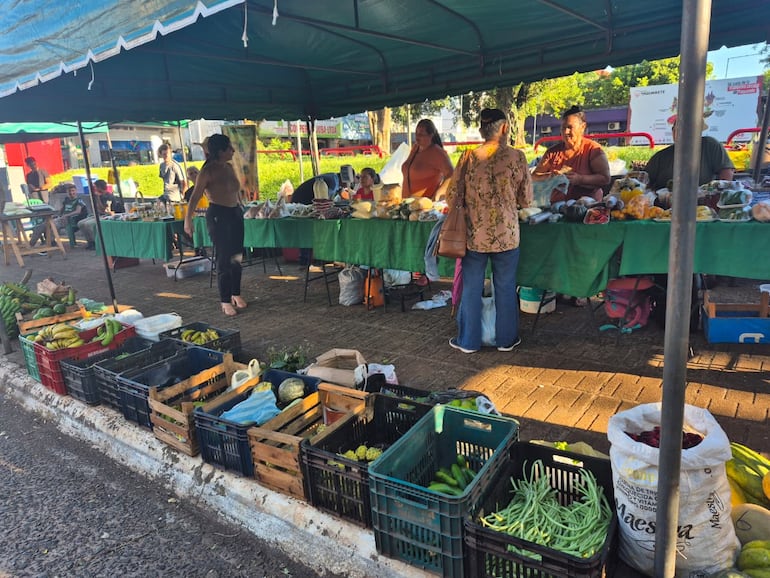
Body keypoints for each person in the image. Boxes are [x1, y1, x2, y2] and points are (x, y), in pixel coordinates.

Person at [449, 108, 534, 354]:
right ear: (504, 128)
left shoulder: (468, 157)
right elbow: (526, 200)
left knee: (472, 288)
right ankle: (506, 340)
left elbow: (452, 195)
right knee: (505, 287)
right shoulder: (517, 157)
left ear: (481, 129)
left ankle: (468, 341)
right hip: (507, 235)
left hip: (474, 235)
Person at [184, 134, 246, 317]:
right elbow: (195, 196)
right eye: (229, 148)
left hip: (235, 213)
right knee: (224, 258)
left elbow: (235, 190)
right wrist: (188, 219)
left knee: (237, 257)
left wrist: (242, 206)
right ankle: (225, 300)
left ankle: (236, 293)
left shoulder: (228, 167)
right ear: (219, 151)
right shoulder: (207, 171)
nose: (233, 151)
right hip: (218, 214)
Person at [532, 105, 611, 204]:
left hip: (587, 208)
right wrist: (551, 176)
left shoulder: (593, 150)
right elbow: (534, 177)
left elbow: (605, 178)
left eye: (570, 127)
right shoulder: (552, 152)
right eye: (563, 128)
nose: (565, 132)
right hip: (556, 208)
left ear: (582, 127)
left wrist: (580, 179)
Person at [645, 115, 735, 191]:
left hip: (704, 203)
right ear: (673, 132)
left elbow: (726, 172)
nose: (684, 134)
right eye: (678, 130)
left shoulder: (710, 145)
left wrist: (719, 194)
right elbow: (645, 182)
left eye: (690, 130)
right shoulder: (660, 157)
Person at [401, 119, 454, 200]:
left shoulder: (437, 152)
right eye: (416, 133)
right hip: (407, 203)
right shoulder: (415, 148)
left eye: (421, 134)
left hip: (424, 207)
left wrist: (438, 194)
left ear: (431, 135)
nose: (417, 137)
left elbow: (451, 174)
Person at [29, 183, 88, 249]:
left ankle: (49, 243)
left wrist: (66, 215)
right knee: (40, 226)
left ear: (76, 191)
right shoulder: (66, 200)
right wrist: (55, 215)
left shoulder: (79, 200)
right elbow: (61, 210)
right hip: (61, 218)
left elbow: (78, 211)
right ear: (67, 192)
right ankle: (31, 245)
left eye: (73, 191)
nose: (71, 193)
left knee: (54, 226)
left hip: (71, 219)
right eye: (69, 191)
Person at [78, 180, 124, 250]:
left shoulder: (109, 196)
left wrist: (98, 199)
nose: (94, 188)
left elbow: (106, 210)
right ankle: (90, 242)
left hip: (107, 216)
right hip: (98, 214)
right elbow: (97, 209)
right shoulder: (98, 195)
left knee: (88, 224)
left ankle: (97, 242)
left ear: (99, 187)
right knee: (80, 223)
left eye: (95, 187)